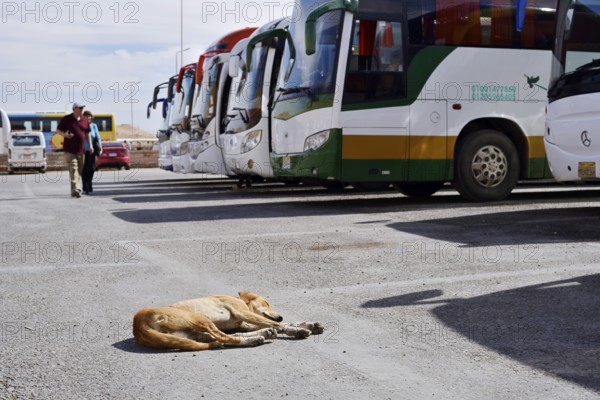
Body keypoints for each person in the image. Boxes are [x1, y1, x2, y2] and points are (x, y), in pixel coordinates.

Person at [56, 102, 92, 198]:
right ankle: (78, 188)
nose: (82, 110)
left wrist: (91, 145)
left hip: (81, 150)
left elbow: (87, 134)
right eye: (80, 108)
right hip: (69, 150)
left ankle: (73, 190)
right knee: (74, 168)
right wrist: (65, 135)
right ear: (74, 109)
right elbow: (58, 130)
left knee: (78, 171)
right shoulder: (66, 119)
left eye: (82, 108)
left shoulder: (85, 120)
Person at [82, 110, 102, 194]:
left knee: (92, 169)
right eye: (87, 117)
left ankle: (89, 182)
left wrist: (101, 147)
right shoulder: (81, 126)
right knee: (84, 169)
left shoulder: (94, 126)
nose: (88, 119)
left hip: (92, 151)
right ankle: (85, 186)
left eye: (90, 118)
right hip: (83, 151)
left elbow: (98, 138)